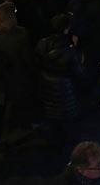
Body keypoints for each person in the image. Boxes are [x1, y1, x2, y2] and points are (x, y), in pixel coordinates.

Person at [0, 1, 37, 146]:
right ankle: (27, 125)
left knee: (0, 107)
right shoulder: (21, 34)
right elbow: (28, 59)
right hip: (18, 77)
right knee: (23, 102)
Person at [37, 13, 85, 142]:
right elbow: (79, 73)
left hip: (47, 87)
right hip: (65, 91)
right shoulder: (68, 51)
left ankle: (53, 141)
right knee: (68, 124)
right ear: (66, 29)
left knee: (53, 118)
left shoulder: (42, 44)